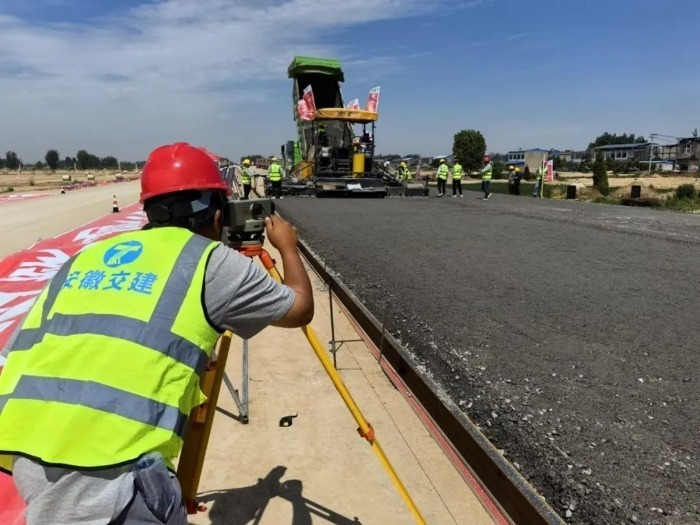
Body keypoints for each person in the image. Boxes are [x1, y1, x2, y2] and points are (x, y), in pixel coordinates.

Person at [0, 142, 314, 525]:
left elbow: (16, 352)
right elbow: (299, 309)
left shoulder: (86, 258)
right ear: (217, 213)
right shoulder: (210, 261)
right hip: (111, 475)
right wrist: (288, 248)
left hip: (29, 460)